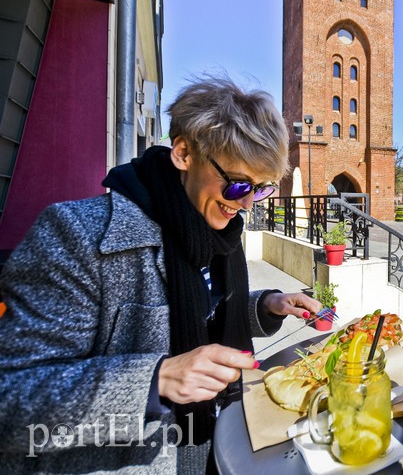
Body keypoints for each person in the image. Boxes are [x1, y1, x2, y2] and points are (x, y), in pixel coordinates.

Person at [0, 76, 321, 473]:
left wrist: (265, 307)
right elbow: (10, 400)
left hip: (221, 441)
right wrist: (154, 381)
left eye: (260, 189)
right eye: (238, 185)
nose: (246, 205)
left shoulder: (221, 232)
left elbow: (205, 311)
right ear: (184, 153)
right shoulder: (78, 235)